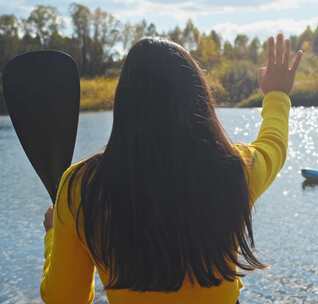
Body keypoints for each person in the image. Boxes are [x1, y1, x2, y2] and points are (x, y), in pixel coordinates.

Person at [40, 33, 302, 304]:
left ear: (125, 103)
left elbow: (65, 298)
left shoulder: (82, 186)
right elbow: (274, 145)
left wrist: (53, 237)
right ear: (198, 98)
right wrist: (277, 94)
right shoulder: (233, 169)